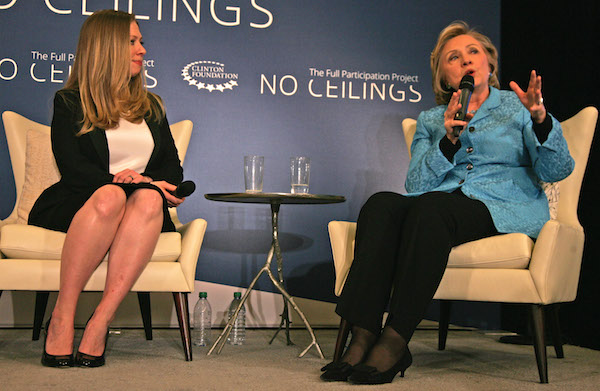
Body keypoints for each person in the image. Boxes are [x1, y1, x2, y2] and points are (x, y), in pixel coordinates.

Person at [320, 21, 574, 384]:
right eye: (454, 57)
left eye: (474, 52)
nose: (466, 61)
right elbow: (416, 182)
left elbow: (557, 168)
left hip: (499, 205)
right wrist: (447, 141)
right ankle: (362, 337)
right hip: (441, 206)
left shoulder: (519, 108)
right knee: (380, 204)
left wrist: (540, 119)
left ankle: (394, 342)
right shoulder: (430, 120)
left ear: (490, 64)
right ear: (444, 77)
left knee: (431, 209)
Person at [28, 10, 187, 368]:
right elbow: (75, 170)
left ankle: (100, 322)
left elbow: (172, 169)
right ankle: (62, 317)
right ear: (106, 47)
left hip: (141, 212)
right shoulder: (69, 102)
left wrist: (144, 183)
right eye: (133, 41)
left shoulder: (152, 106)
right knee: (112, 194)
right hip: (83, 203)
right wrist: (123, 181)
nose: (142, 49)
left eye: (141, 41)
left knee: (147, 200)